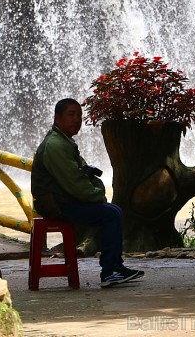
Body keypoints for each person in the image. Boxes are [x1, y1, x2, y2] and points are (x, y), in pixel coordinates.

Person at [31, 98, 144, 288]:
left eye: (79, 116)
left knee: (113, 210)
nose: (77, 120)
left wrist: (95, 190)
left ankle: (115, 266)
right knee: (110, 214)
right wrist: (98, 194)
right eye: (71, 115)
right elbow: (75, 184)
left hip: (64, 201)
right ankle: (109, 272)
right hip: (56, 206)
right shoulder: (56, 145)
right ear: (57, 118)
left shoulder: (64, 141)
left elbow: (83, 173)